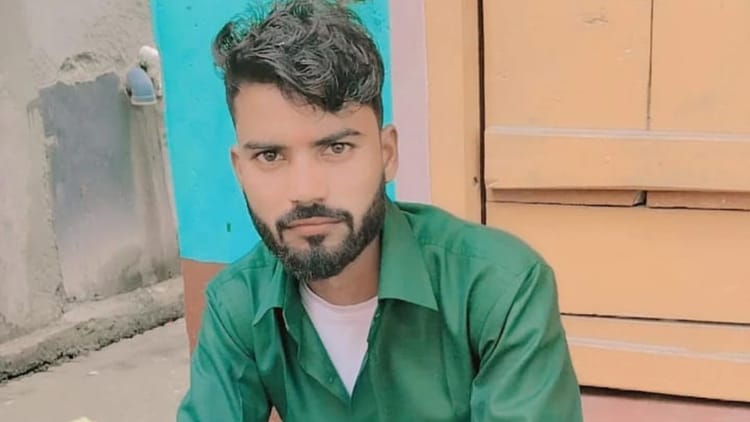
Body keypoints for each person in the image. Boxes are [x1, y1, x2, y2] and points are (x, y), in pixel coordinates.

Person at [177, 0, 583, 420]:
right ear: (240, 170)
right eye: (270, 156)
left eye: (336, 148)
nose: (305, 191)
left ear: (387, 154)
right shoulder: (238, 304)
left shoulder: (499, 288)